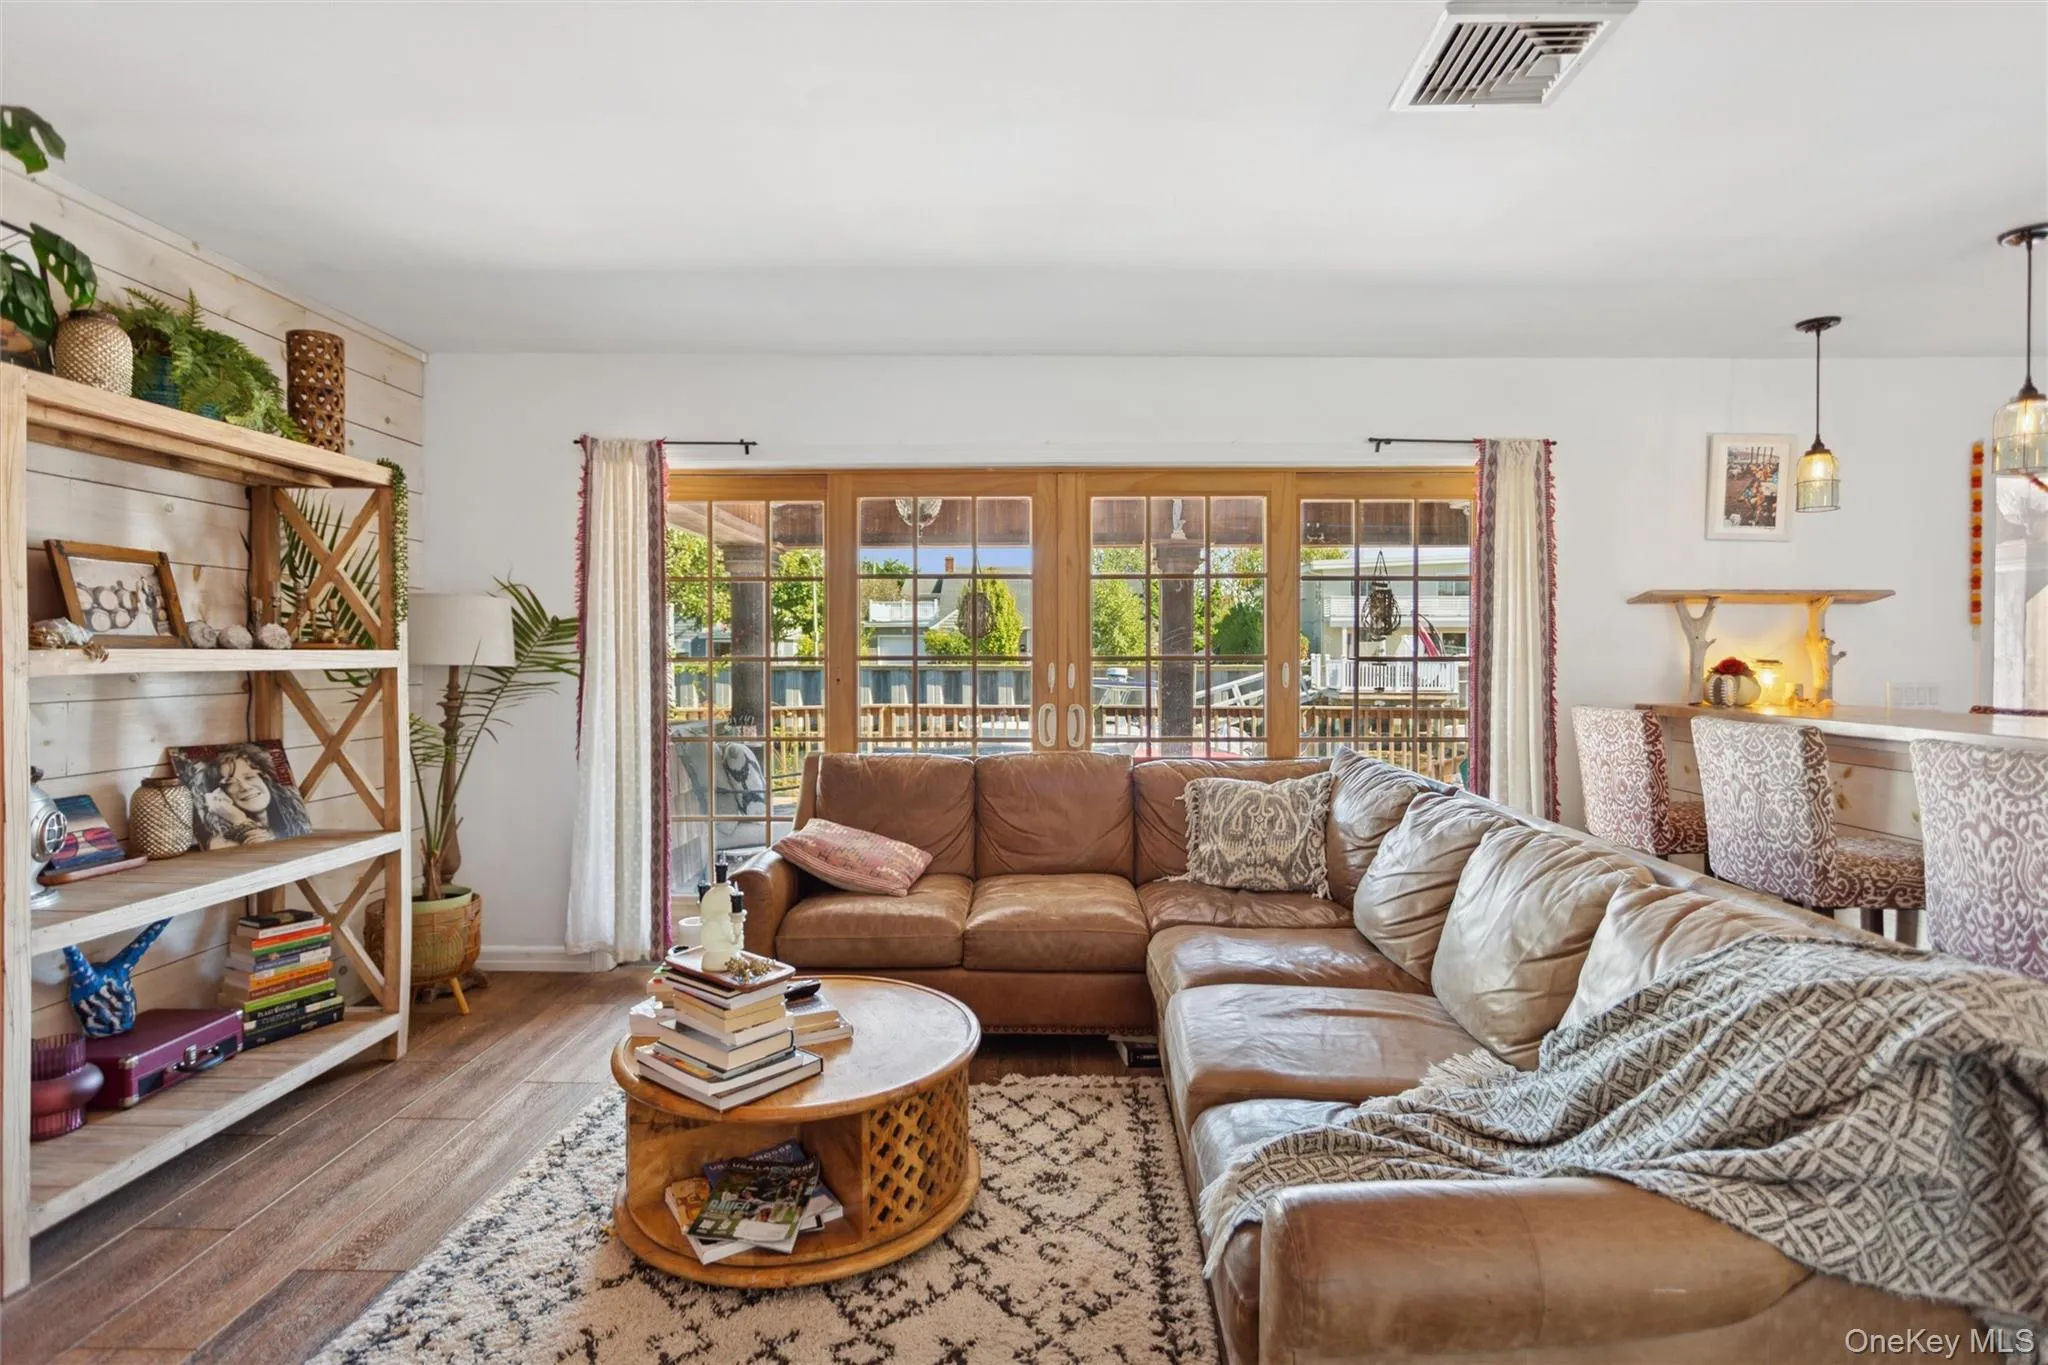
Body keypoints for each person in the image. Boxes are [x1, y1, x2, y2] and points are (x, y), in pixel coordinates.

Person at [195, 745, 312, 847]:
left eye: (250, 777)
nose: (245, 787)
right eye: (230, 783)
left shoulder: (295, 824)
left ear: (266, 779)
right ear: (219, 794)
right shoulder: (221, 843)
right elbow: (268, 854)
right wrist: (240, 821)